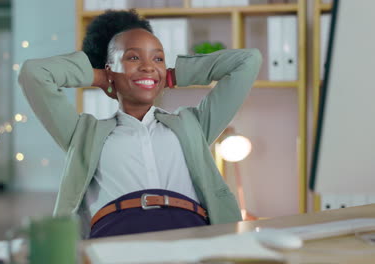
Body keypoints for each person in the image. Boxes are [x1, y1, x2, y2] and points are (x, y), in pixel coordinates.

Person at [19, 9, 262, 239]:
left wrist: (172, 75)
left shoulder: (192, 125)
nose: (148, 66)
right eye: (133, 57)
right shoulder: (83, 133)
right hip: (116, 237)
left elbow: (248, 61)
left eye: (157, 58)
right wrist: (101, 77)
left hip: (189, 233)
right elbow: (33, 73)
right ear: (109, 69)